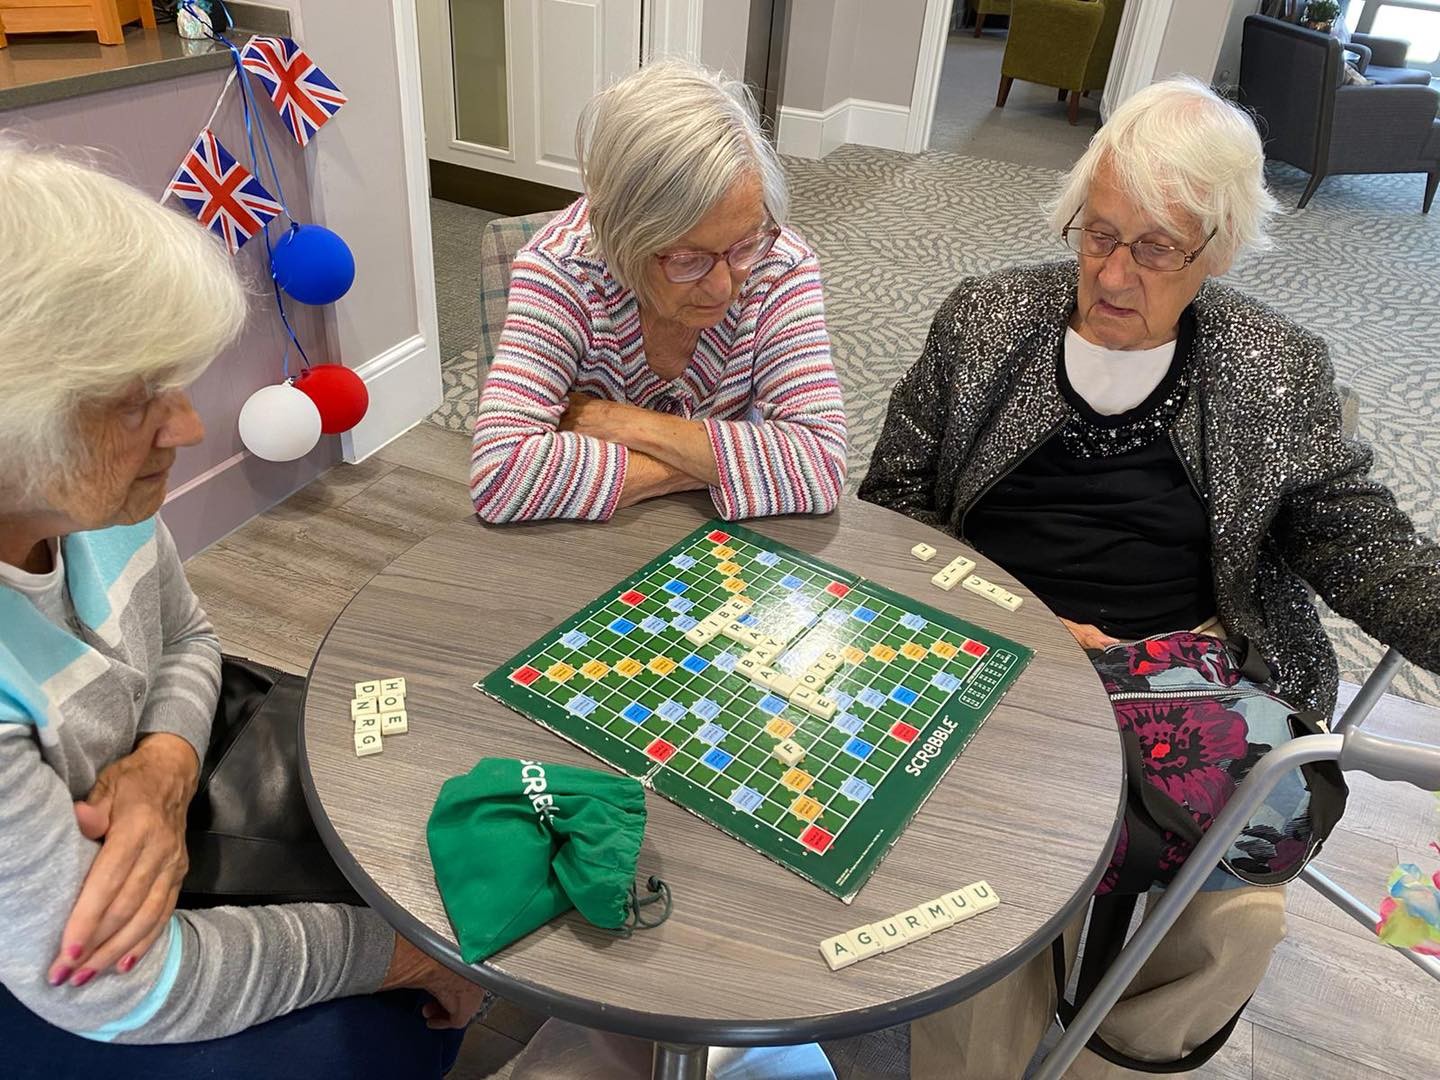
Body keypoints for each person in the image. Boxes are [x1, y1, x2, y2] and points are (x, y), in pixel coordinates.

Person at [859, 77, 1440, 1077]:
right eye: (1098, 233)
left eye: (1155, 248)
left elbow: (1364, 547)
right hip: (990, 661)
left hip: (1188, 687)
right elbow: (892, 503)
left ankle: (1100, 1059)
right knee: (978, 886)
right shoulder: (985, 319)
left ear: (1214, 250)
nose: (1114, 275)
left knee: (1242, 915)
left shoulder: (1276, 365)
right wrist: (1012, 625)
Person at [0, 143, 486, 1077]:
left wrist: (163, 763)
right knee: (390, 1029)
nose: (186, 427)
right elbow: (114, 986)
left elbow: (188, 635)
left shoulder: (85, 499)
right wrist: (398, 957)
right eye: (141, 399)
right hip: (66, 976)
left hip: (160, 838)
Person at [470, 60, 848, 524]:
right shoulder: (562, 271)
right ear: (624, 238)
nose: (722, 285)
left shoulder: (780, 262)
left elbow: (822, 463)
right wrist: (736, 463)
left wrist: (627, 424)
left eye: (742, 246)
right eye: (688, 260)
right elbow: (501, 477)